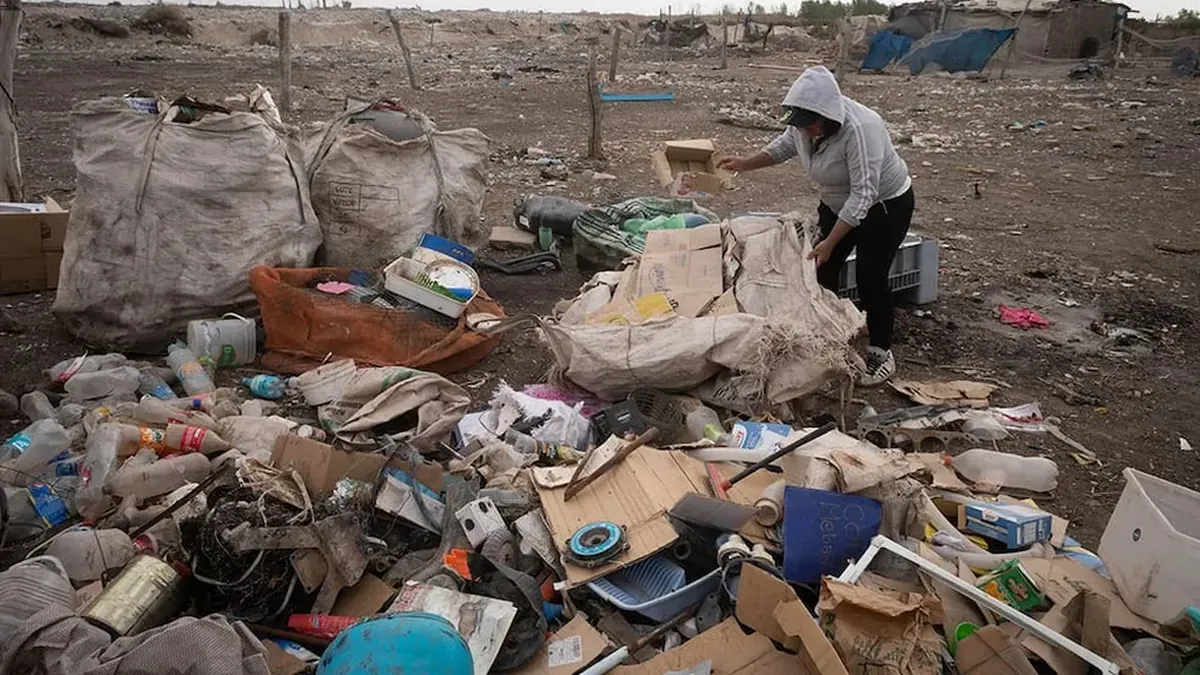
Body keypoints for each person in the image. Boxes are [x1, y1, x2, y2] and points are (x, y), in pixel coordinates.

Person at [718, 65, 914, 387]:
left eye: (809, 126)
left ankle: (881, 350)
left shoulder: (862, 129)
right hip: (836, 202)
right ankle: (831, 332)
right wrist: (745, 163)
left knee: (870, 275)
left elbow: (863, 194)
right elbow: (784, 147)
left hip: (884, 205)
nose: (805, 132)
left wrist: (832, 240)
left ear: (828, 117)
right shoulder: (806, 123)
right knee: (821, 269)